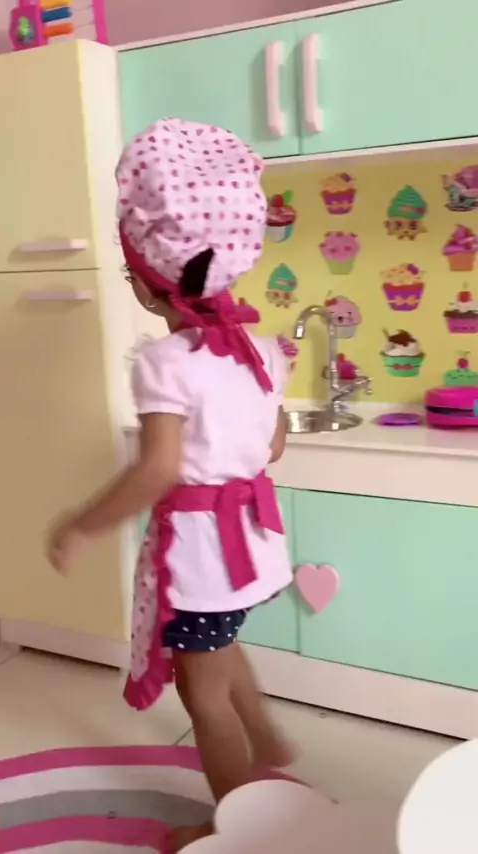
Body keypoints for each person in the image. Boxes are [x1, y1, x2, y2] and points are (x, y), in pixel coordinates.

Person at [47, 118, 295, 852]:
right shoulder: (261, 348)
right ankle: (267, 736)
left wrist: (81, 525)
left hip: (204, 560)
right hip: (254, 547)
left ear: (150, 281)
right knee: (220, 645)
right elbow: (274, 441)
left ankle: (234, 824)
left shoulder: (165, 364)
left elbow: (157, 469)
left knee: (201, 693)